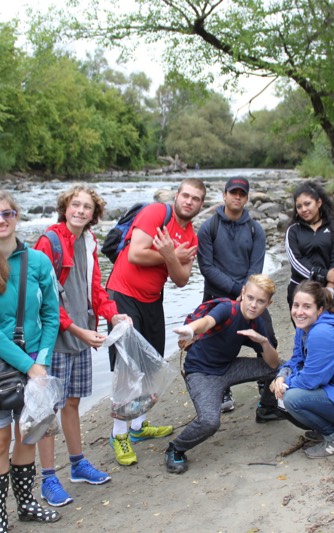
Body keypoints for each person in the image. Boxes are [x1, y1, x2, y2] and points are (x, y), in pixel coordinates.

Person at [0, 190, 61, 531]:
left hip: (37, 367)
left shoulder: (39, 262)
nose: (1, 220)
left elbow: (51, 315)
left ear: (17, 216)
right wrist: (29, 366)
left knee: (28, 437)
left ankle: (28, 505)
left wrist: (42, 361)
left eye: (7, 213)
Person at [34, 185, 131, 506]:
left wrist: (113, 316)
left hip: (80, 337)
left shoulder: (88, 243)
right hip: (54, 339)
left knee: (72, 403)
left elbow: (95, 292)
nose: (81, 211)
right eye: (76, 205)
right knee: (47, 410)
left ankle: (77, 464)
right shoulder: (48, 242)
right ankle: (48, 478)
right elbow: (45, 301)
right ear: (65, 208)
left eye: (87, 207)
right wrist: (79, 331)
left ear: (94, 214)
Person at [105, 178, 206, 466]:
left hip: (152, 300)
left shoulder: (191, 237)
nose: (189, 201)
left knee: (151, 363)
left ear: (200, 205)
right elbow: (136, 253)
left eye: (195, 198)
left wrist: (168, 255)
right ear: (177, 196)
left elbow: (182, 279)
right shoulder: (155, 214)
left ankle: (138, 427)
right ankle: (119, 434)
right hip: (122, 294)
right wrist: (171, 255)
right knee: (126, 366)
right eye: (185, 195)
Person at [164, 274, 281, 474]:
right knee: (210, 422)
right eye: (250, 298)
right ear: (243, 293)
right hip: (202, 374)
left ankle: (266, 409)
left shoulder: (257, 323)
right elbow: (208, 322)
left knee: (281, 369)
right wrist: (190, 330)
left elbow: (273, 363)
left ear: (268, 304)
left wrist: (262, 341)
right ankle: (176, 448)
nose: (253, 305)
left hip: (228, 367)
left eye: (260, 301)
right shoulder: (228, 309)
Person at [270, 281, 334, 459]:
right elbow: (296, 359)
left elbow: (310, 381)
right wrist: (281, 376)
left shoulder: (322, 333)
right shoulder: (303, 327)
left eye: (306, 306)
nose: (299, 312)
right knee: (284, 390)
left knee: (291, 398)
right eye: (296, 305)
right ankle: (330, 426)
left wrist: (283, 384)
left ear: (320, 309)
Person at [197, 176, 274, 416]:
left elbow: (256, 266)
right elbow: (207, 268)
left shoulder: (255, 229)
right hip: (217, 297)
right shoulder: (209, 227)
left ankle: (267, 384)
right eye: (233, 192)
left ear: (247, 197)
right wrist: (236, 290)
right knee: (216, 345)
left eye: (242, 193)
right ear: (224, 195)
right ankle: (223, 389)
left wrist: (248, 293)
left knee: (267, 339)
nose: (237, 197)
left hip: (250, 297)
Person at [285, 180, 334, 309]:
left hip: (326, 290)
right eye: (299, 206)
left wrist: (330, 286)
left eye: (307, 204)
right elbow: (296, 262)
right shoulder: (293, 230)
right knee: (304, 328)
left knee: (327, 328)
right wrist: (323, 273)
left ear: (319, 202)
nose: (303, 209)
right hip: (299, 290)